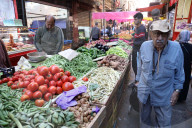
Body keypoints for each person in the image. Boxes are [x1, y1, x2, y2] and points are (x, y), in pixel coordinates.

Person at [136, 20, 185, 127]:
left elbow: (180, 72)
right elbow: (140, 64)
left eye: (163, 34)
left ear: (168, 36)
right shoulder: (144, 46)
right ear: (151, 34)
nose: (160, 38)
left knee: (164, 123)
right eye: (156, 34)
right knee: (144, 120)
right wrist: (138, 80)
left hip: (164, 95)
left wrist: (177, 91)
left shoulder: (176, 49)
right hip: (145, 92)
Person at [177, 30, 192, 102]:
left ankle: (176, 95)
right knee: (185, 81)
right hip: (187, 67)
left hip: (177, 66)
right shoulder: (190, 46)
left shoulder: (177, 45)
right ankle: (182, 98)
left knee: (177, 80)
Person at [132, 12, 146, 78]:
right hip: (135, 49)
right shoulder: (137, 28)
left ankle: (137, 80)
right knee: (134, 65)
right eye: (134, 19)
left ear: (140, 19)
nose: (134, 21)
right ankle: (136, 79)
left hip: (138, 50)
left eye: (136, 19)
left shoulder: (141, 28)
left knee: (137, 66)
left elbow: (142, 41)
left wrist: (134, 43)